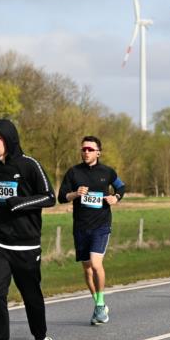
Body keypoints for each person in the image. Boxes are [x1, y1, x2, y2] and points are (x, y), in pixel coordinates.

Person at [0, 119, 56, 340]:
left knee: (30, 297)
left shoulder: (29, 164)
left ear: (9, 139)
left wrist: (17, 203)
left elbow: (50, 197)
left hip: (26, 245)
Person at [58, 136, 126, 326]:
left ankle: (100, 303)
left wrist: (116, 197)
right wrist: (75, 194)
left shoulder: (107, 172)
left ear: (98, 152)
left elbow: (121, 186)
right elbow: (61, 197)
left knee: (96, 264)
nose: (86, 152)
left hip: (101, 225)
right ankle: (98, 305)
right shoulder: (73, 172)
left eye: (89, 149)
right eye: (83, 149)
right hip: (81, 226)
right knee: (87, 269)